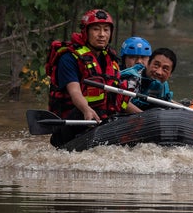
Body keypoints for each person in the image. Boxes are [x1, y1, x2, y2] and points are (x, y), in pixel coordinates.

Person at [46, 9, 141, 146]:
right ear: (86, 32)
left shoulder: (111, 60)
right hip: (77, 122)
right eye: (96, 29)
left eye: (106, 30)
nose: (102, 35)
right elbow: (75, 92)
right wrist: (86, 110)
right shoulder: (68, 58)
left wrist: (143, 116)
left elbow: (119, 100)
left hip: (102, 123)